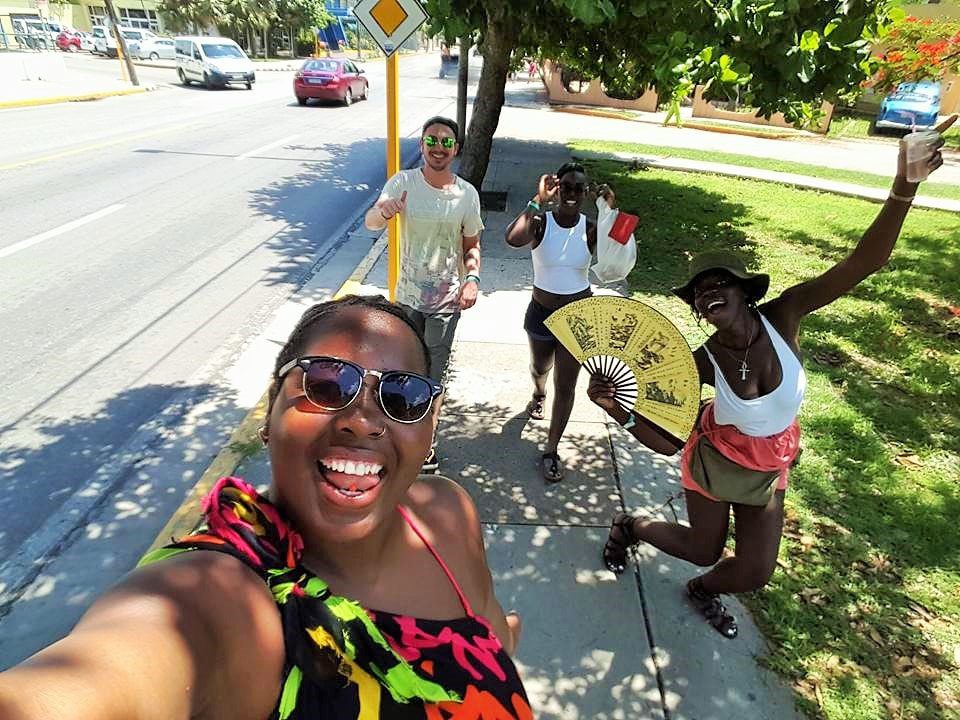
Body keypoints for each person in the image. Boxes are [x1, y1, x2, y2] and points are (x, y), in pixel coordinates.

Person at [0, 294, 528, 720]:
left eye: (404, 397)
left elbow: (489, 638)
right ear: (270, 410)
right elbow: (96, 680)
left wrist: (499, 645)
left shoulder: (447, 514)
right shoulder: (214, 600)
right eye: (326, 383)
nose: (363, 419)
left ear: (429, 427)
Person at [588, 116, 955, 639]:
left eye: (718, 283)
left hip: (771, 461)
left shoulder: (786, 316)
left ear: (744, 291)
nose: (706, 293)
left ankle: (703, 590)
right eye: (697, 292)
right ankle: (631, 526)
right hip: (716, 461)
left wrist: (904, 186)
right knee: (702, 548)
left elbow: (862, 264)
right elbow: (669, 439)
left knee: (757, 571)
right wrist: (617, 408)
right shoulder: (701, 360)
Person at [364, 116, 483, 474]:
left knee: (433, 376)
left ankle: (426, 447)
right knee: (400, 369)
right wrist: (383, 212)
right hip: (407, 298)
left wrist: (472, 279)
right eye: (432, 140)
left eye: (447, 142)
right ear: (422, 145)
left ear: (456, 149)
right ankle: (396, 437)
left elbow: (472, 244)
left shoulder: (466, 194)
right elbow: (371, 221)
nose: (438, 147)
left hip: (447, 302)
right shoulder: (403, 183)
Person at [505, 162, 615, 482]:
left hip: (578, 318)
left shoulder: (591, 227)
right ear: (557, 189)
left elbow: (619, 253)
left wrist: (610, 211)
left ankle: (552, 449)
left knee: (566, 385)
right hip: (541, 313)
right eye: (565, 187)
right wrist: (537, 202)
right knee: (541, 368)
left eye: (578, 189)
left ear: (585, 194)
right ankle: (538, 394)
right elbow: (512, 238)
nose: (571, 194)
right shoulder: (540, 222)